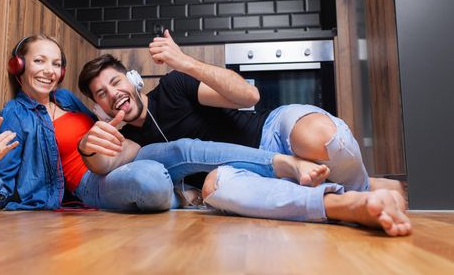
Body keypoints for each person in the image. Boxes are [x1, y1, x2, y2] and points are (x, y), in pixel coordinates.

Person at [76, 33, 411, 236]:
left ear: (132, 80)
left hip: (271, 135)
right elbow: (108, 163)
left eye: (115, 82)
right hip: (242, 174)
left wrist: (185, 63)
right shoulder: (134, 141)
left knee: (317, 139)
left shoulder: (174, 87)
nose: (112, 93)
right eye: (101, 93)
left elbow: (248, 97)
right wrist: (88, 146)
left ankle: (365, 188)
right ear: (100, 106)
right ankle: (351, 201)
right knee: (214, 187)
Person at [0, 34, 327, 212]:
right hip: (92, 182)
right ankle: (179, 194)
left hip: (130, 155)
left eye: (55, 63)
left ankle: (281, 162)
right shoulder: (15, 114)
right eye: (38, 62)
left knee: (185, 148)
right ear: (19, 66)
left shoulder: (65, 100)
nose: (48, 71)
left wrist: (116, 120)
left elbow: (101, 123)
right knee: (152, 180)